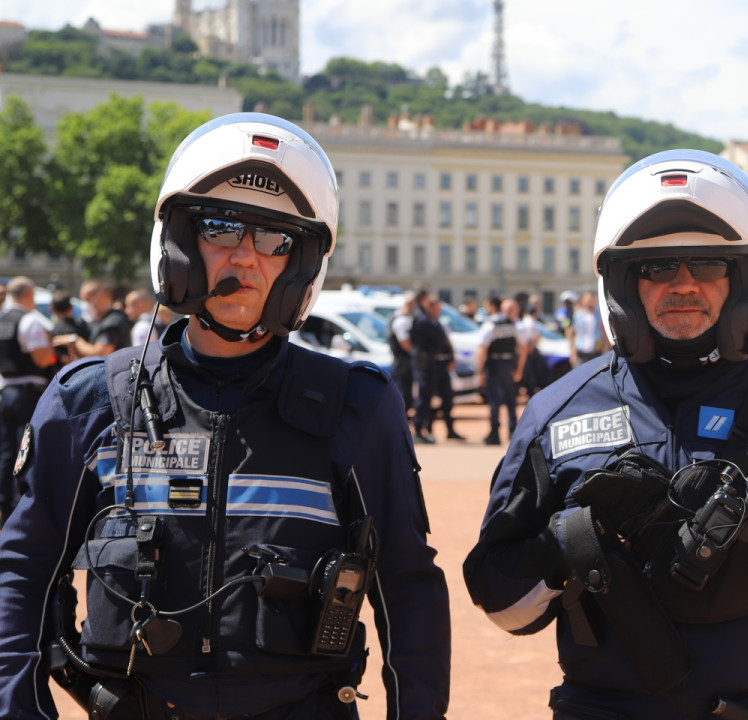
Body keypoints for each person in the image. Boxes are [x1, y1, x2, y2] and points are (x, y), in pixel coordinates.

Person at [0, 113, 450, 720]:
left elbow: (406, 583)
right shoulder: (89, 402)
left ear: (302, 264)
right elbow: (24, 574)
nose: (246, 255)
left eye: (275, 239)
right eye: (220, 228)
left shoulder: (357, 406)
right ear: (181, 243)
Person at [463, 149, 748, 720]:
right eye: (657, 268)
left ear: (745, 281)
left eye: (709, 265)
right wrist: (577, 539)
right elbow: (502, 602)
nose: (683, 284)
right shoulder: (556, 411)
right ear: (622, 283)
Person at [0, 277, 59, 525]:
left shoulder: (2, 319)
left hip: (5, 392)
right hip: (27, 393)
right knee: (24, 452)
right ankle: (19, 508)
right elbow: (43, 358)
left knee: (5, 452)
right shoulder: (30, 320)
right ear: (28, 294)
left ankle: (3, 504)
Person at [410, 293, 463, 443]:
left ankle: (449, 429)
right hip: (428, 365)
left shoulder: (437, 322)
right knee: (425, 398)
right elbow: (438, 342)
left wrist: (450, 357)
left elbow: (446, 343)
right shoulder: (422, 322)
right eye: (436, 308)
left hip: (441, 365)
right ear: (429, 307)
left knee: (447, 397)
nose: (439, 310)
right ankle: (420, 430)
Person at [475, 296, 527, 446]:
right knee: (511, 400)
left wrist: (479, 370)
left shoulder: (490, 324)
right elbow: (523, 349)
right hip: (509, 365)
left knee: (494, 401)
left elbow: (482, 349)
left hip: (494, 365)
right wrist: (519, 369)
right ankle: (512, 432)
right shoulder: (516, 325)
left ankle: (494, 434)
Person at [64, 279, 132, 357]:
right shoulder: (104, 320)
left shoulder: (113, 322)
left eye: (87, 299)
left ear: (101, 297)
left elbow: (101, 352)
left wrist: (74, 340)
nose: (86, 304)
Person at [387, 291, 417, 417]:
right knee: (403, 395)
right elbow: (405, 344)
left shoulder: (399, 317)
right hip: (402, 363)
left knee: (405, 394)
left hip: (403, 363)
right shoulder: (401, 321)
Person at [568, 290, 607, 366]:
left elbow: (603, 332)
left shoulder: (600, 314)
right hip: (581, 351)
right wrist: (573, 353)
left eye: (592, 299)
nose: (590, 301)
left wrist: (605, 348)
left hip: (596, 349)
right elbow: (573, 334)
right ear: (583, 300)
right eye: (588, 299)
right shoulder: (578, 315)